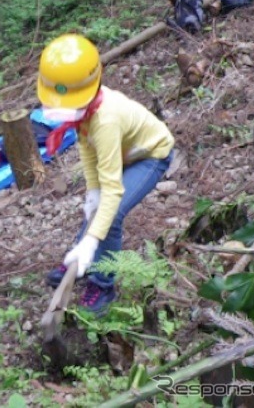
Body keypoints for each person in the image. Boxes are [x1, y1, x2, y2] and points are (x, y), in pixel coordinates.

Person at [39, 33, 174, 314]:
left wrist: (92, 240)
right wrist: (92, 191)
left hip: (150, 156)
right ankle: (79, 257)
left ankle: (103, 283)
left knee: (111, 216)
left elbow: (113, 190)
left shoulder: (106, 120)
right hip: (125, 152)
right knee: (97, 209)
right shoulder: (85, 109)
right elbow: (87, 151)